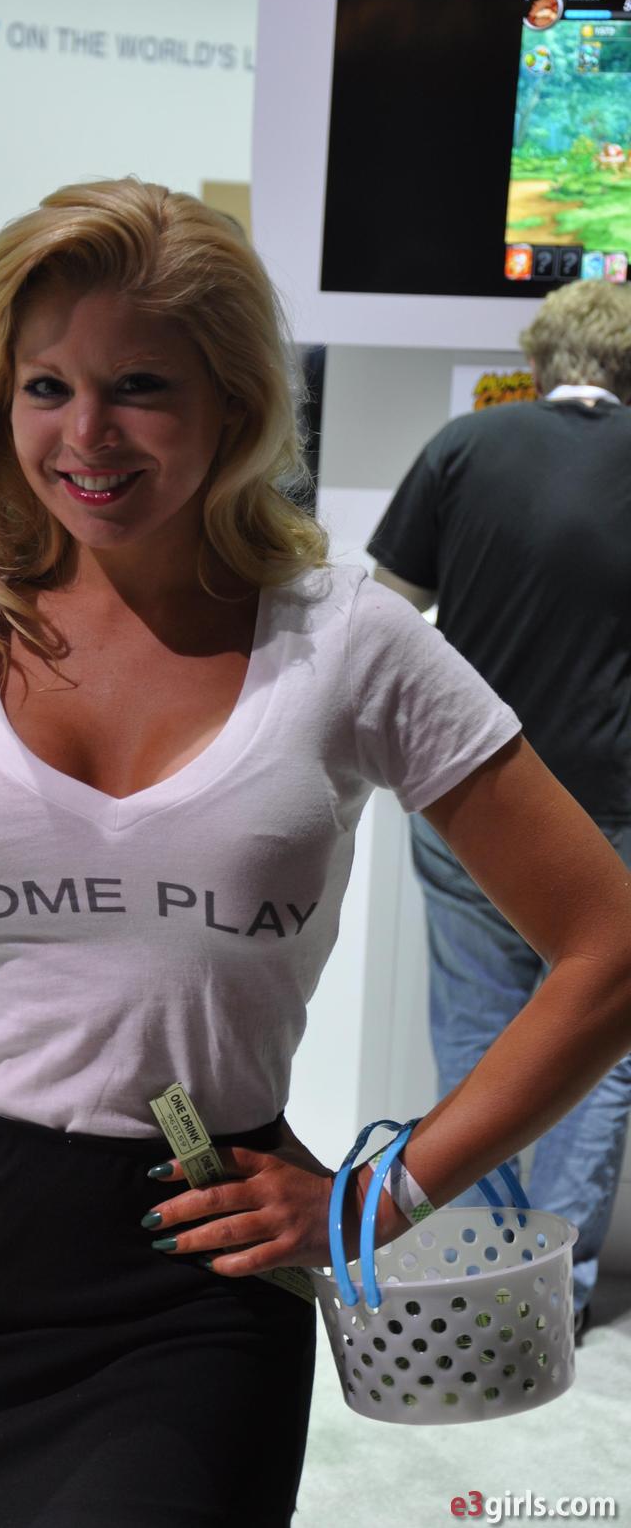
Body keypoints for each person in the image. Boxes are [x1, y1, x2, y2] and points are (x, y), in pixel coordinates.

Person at [0, 179, 631, 1528]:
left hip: (200, 1267)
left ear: (233, 402)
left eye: (139, 386)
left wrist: (386, 1193)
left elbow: (607, 946)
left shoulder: (346, 644)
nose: (85, 434)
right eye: (47, 387)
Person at [367, 277, 631, 1338]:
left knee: (476, 1036)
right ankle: (555, 1295)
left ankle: (482, 1275)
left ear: (538, 358)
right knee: (601, 1044)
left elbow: (386, 613)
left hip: (472, 798)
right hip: (615, 802)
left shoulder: (463, 446)